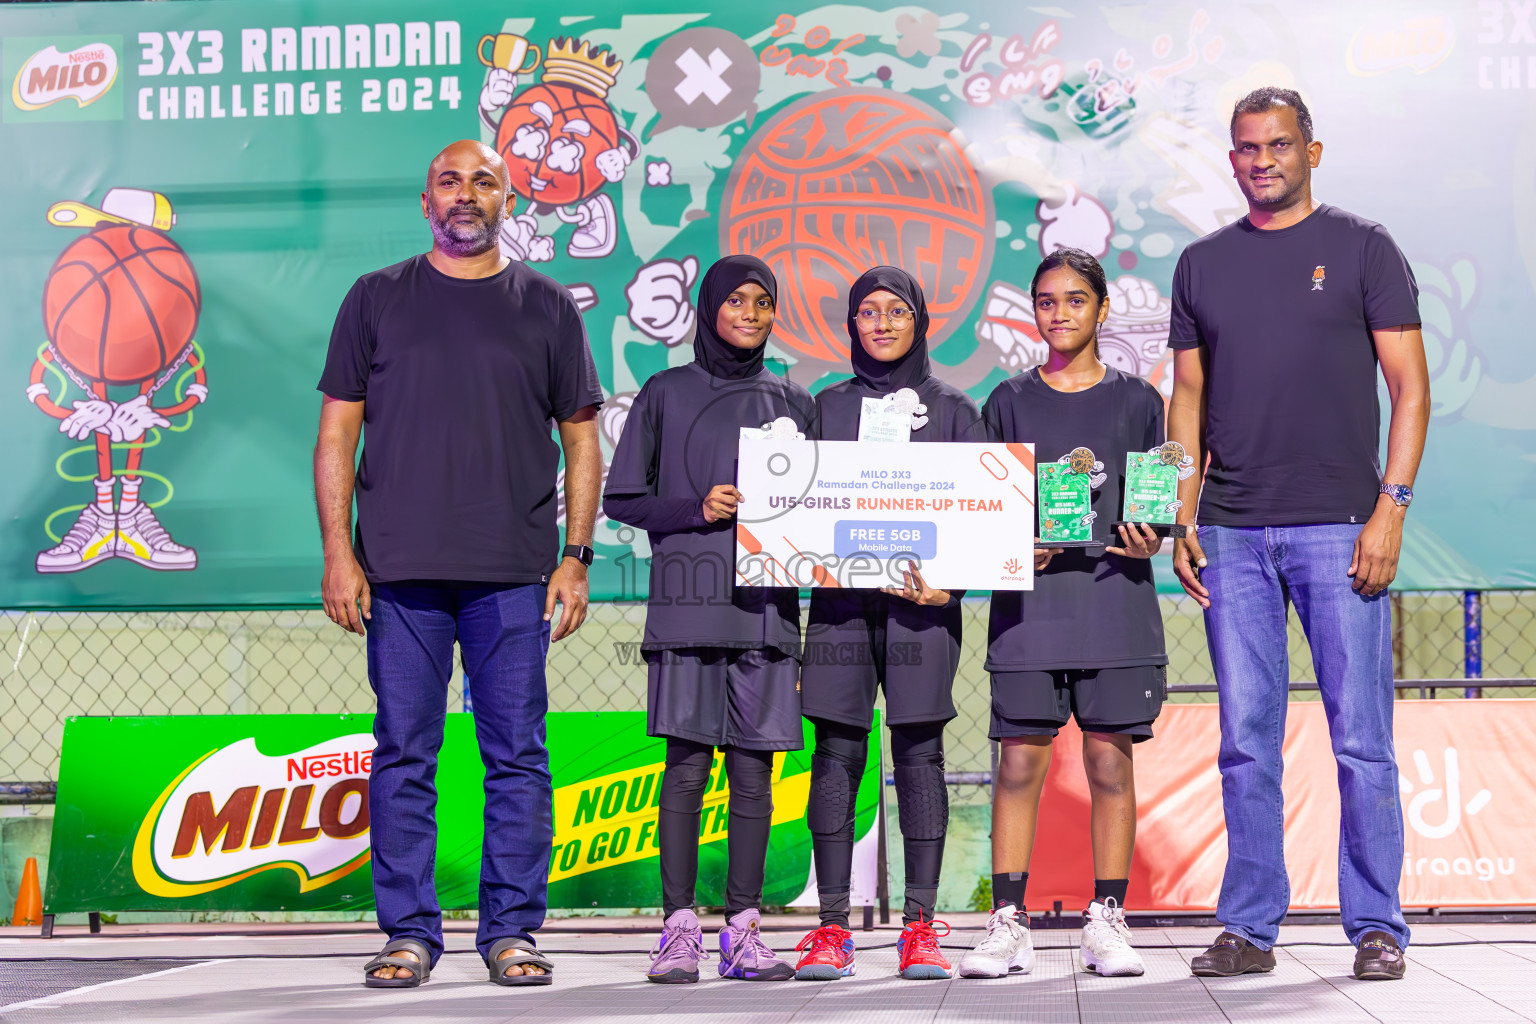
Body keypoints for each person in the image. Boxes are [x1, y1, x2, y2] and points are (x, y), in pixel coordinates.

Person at [314, 140, 604, 989]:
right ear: (426, 200)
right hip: (398, 576)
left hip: (514, 573)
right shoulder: (374, 299)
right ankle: (408, 933)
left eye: (484, 182)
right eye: (450, 181)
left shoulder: (547, 307)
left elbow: (581, 440)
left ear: (509, 202)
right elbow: (338, 433)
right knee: (404, 752)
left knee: (516, 755)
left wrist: (576, 557)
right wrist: (339, 552)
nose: (466, 195)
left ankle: (511, 931)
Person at [1167, 88, 1430, 981]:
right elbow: (1189, 398)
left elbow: (1411, 388)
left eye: (1278, 145)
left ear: (1313, 151)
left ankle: (1377, 924)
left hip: (1342, 527)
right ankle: (1249, 926)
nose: (1261, 160)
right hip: (1233, 534)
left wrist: (1390, 509)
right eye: (1246, 148)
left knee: (1361, 739)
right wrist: (1181, 512)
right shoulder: (1201, 264)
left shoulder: (1363, 247)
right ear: (1231, 157)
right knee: (1246, 738)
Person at [603, 255, 817, 984]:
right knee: (687, 772)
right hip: (688, 614)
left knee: (755, 778)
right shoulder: (665, 392)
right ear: (709, 308)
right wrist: (697, 509)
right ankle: (679, 929)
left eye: (764, 302)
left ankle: (746, 931)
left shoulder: (793, 399)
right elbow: (623, 498)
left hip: (765, 617)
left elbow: (820, 511)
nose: (752, 314)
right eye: (738, 301)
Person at [958, 248, 1167, 981]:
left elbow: (1153, 506)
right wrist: (1016, 546)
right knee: (1018, 764)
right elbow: (986, 515)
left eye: (1075, 300)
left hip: (1116, 607)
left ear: (1102, 309)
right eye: (1047, 301)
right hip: (1030, 615)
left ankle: (1107, 919)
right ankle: (1007, 924)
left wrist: (1150, 536)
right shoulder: (1008, 402)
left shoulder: (1140, 400)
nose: (1060, 313)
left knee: (1111, 762)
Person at [793, 267, 986, 982]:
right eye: (866, 312)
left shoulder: (957, 411)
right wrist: (802, 555)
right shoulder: (826, 407)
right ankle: (832, 929)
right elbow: (797, 507)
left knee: (919, 756)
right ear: (850, 324)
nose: (880, 323)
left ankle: (919, 928)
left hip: (922, 612)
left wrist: (951, 584)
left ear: (920, 320)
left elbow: (984, 512)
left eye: (895, 310)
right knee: (837, 755)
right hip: (841, 610)